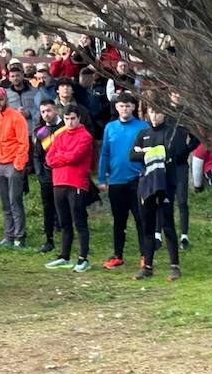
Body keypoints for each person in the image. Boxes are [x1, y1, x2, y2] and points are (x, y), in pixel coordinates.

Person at [130, 95, 195, 282]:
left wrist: (146, 152)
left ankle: (175, 266)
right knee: (147, 226)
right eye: (151, 112)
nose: (154, 116)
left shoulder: (172, 132)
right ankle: (147, 266)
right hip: (146, 183)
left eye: (157, 112)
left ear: (164, 113)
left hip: (166, 183)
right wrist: (151, 152)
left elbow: (171, 152)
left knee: (167, 225)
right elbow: (132, 155)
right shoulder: (143, 133)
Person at [44, 104, 94, 272]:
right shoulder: (60, 135)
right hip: (59, 182)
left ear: (79, 118)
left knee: (79, 221)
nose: (70, 122)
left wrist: (61, 156)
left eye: (73, 119)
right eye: (66, 119)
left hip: (76, 182)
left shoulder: (85, 136)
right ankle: (64, 256)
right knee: (64, 222)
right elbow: (49, 159)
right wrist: (63, 157)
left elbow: (75, 157)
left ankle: (83, 258)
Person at [100, 92, 147, 269]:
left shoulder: (143, 127)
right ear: (116, 107)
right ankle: (117, 255)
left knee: (141, 219)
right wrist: (102, 176)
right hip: (116, 181)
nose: (124, 109)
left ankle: (145, 255)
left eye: (128, 105)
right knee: (119, 220)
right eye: (121, 105)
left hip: (138, 180)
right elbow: (104, 152)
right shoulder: (110, 127)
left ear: (133, 107)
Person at [0, 87, 30, 248]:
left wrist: (18, 164)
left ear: (5, 98)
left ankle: (20, 237)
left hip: (13, 164)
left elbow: (23, 142)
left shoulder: (17, 117)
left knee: (15, 202)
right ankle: (9, 236)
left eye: (0, 99)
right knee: (5, 203)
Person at [31, 100, 62, 252]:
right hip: (47, 176)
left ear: (55, 110)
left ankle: (67, 236)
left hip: (63, 175)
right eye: (43, 112)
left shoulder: (65, 128)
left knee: (66, 208)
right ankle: (49, 239)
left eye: (48, 111)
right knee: (47, 208)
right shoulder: (41, 132)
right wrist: (39, 174)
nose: (46, 114)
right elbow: (36, 155)